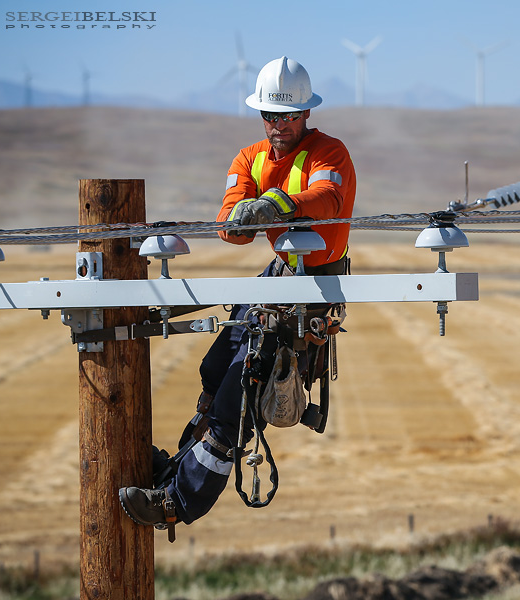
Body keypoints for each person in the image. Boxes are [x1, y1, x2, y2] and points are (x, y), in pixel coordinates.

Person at [118, 56, 356, 533]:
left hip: (315, 288)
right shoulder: (250, 158)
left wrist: (276, 204)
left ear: (306, 113)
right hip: (277, 276)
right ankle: (176, 469)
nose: (279, 125)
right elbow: (231, 225)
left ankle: (178, 502)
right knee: (215, 372)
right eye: (271, 115)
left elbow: (328, 199)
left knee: (237, 396)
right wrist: (243, 218)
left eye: (288, 116)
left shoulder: (330, 153)